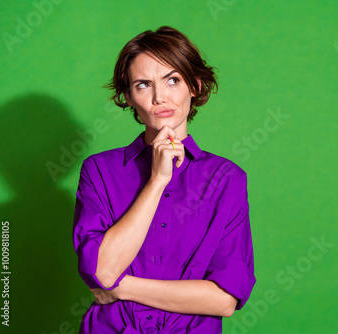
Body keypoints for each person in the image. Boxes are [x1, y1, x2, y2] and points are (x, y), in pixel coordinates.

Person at [72, 26, 255, 334]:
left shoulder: (226, 178)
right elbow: (103, 272)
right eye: (143, 85)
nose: (160, 97)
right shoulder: (99, 171)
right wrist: (157, 180)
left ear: (195, 86)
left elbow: (224, 299)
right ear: (129, 97)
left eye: (173, 80)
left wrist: (123, 288)